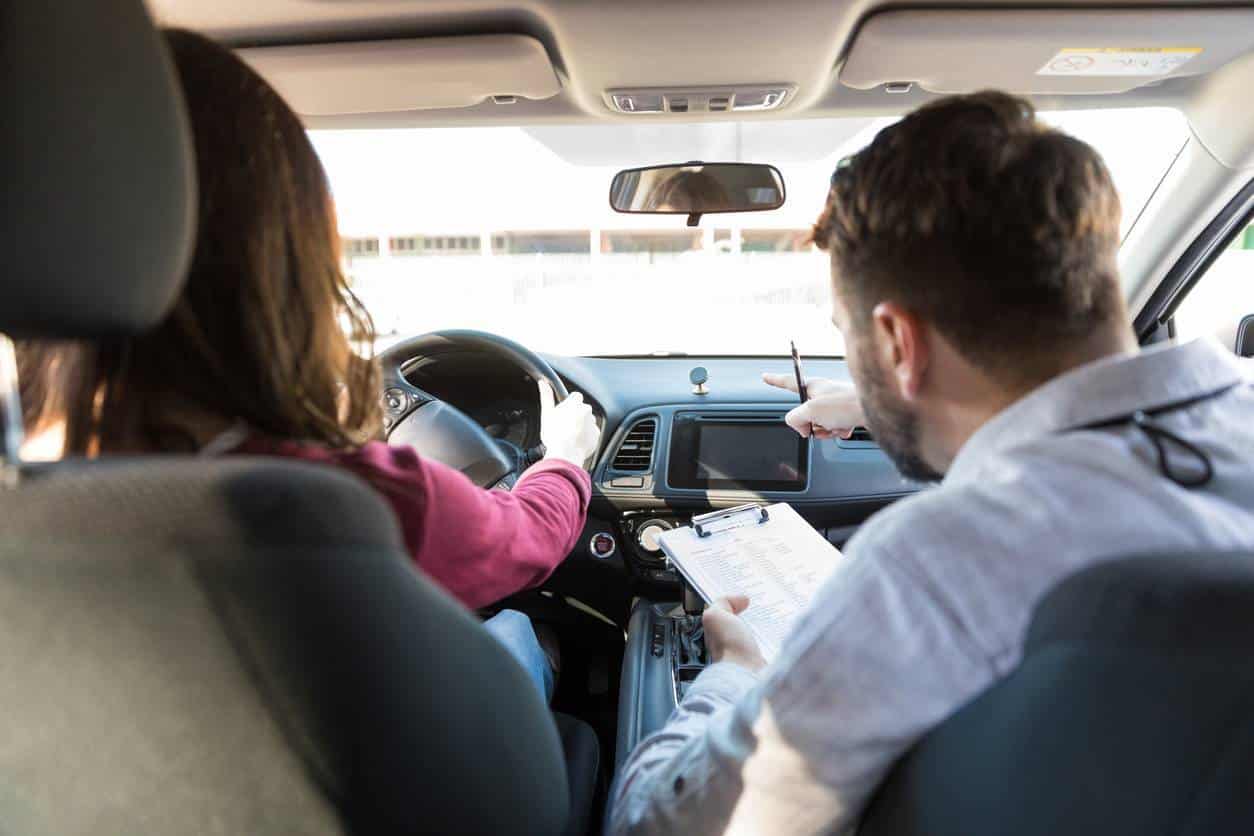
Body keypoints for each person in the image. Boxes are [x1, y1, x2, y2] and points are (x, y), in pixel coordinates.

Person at [609, 91, 1254, 834]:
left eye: (849, 336)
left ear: (897, 343)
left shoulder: (935, 563)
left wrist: (731, 672)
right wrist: (874, 401)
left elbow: (661, 824)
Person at [17, 28, 600, 704]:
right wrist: (564, 461)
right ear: (286, 262)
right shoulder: (355, 505)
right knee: (520, 632)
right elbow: (525, 540)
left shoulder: (25, 489)